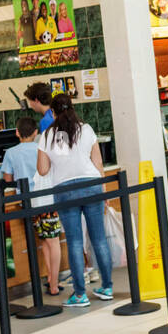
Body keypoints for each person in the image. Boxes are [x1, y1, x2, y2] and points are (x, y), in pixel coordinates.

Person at [37, 94, 112, 307]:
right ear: (72, 108)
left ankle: (80, 295)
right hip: (92, 185)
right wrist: (103, 189)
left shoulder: (48, 135)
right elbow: (98, 162)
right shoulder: (86, 129)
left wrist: (57, 160)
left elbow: (42, 170)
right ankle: (107, 287)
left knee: (75, 242)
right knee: (98, 239)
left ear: (52, 112)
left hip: (65, 189)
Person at [2, 116, 62, 295]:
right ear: (36, 133)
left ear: (17, 133)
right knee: (53, 240)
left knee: (43, 240)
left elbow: (7, 179)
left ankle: (51, 278)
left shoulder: (10, 153)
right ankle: (54, 283)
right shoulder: (41, 148)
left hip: (27, 202)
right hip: (46, 200)